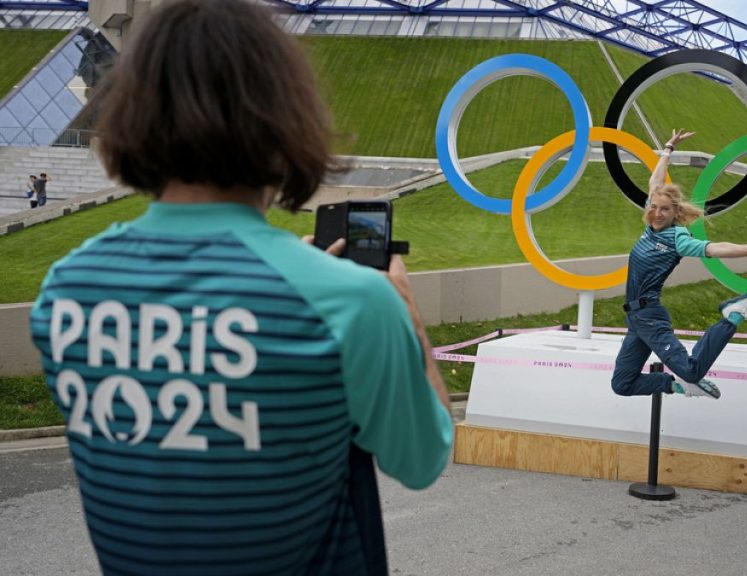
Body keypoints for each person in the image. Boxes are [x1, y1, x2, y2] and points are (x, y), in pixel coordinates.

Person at [29, 1, 452, 574]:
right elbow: (423, 459)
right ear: (282, 120)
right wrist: (408, 319)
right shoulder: (354, 303)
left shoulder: (66, 290)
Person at [611, 129, 747, 400]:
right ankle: (677, 386)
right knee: (622, 384)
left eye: (665, 209)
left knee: (692, 369)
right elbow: (655, 180)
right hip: (635, 319)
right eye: (654, 207)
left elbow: (717, 247)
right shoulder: (650, 223)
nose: (657, 213)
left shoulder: (677, 238)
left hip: (650, 316)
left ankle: (732, 316)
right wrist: (668, 149)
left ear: (676, 212)